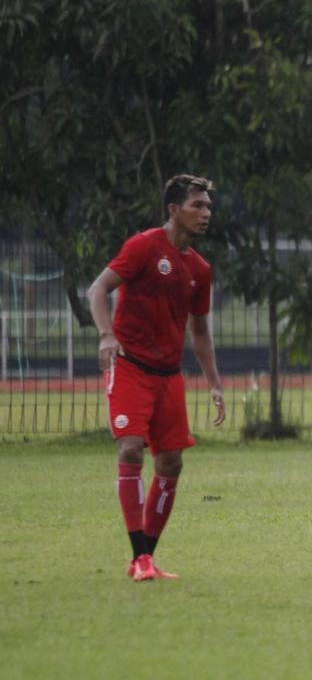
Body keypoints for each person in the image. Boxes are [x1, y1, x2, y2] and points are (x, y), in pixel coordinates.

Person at [87, 174, 226, 582]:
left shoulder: (199, 268)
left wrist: (215, 384)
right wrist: (106, 334)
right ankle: (138, 557)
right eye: (197, 206)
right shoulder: (144, 246)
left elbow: (199, 332)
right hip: (130, 367)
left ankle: (146, 557)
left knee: (171, 462)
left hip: (169, 377)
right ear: (173, 210)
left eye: (208, 207)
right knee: (130, 449)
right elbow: (98, 289)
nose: (205, 214)